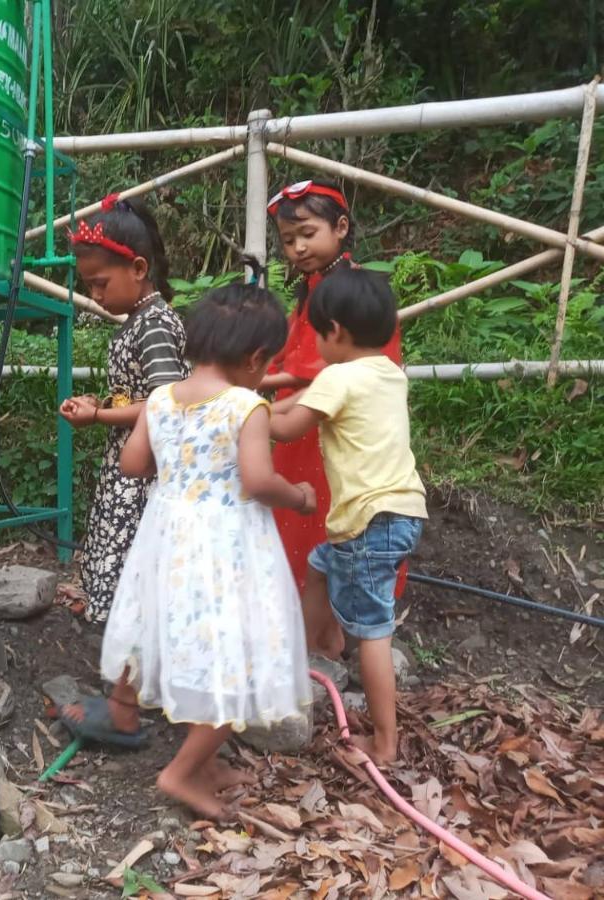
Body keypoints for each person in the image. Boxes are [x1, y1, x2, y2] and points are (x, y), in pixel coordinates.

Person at [67, 277, 314, 818]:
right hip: (227, 547)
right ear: (255, 358)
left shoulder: (159, 399)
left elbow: (133, 464)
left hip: (166, 539)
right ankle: (180, 773)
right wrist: (297, 496)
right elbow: (256, 479)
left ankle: (203, 761)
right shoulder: (245, 406)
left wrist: (174, 459)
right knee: (236, 657)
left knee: (176, 640)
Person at [270, 268, 427, 765]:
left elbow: (288, 426)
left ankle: (384, 743)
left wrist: (240, 407)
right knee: (320, 563)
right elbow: (311, 399)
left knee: (374, 630)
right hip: (402, 512)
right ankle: (318, 649)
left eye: (318, 333)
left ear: (335, 331)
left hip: (367, 520)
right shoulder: (387, 373)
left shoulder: (338, 377)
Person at [261, 179, 407, 607]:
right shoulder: (316, 292)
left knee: (326, 514)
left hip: (329, 420)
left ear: (341, 227)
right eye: (289, 240)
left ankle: (336, 622)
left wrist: (255, 391)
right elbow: (293, 355)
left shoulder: (349, 295)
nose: (298, 248)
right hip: (308, 417)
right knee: (304, 515)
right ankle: (317, 622)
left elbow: (322, 367)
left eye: (308, 234)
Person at [59, 195, 188, 623]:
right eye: (88, 286)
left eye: (100, 283)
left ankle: (138, 659)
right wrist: (101, 403)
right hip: (131, 462)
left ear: (138, 269)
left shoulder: (153, 325)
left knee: (140, 559)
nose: (94, 295)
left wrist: (98, 417)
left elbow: (166, 401)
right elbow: (139, 395)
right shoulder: (141, 320)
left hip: (148, 471)